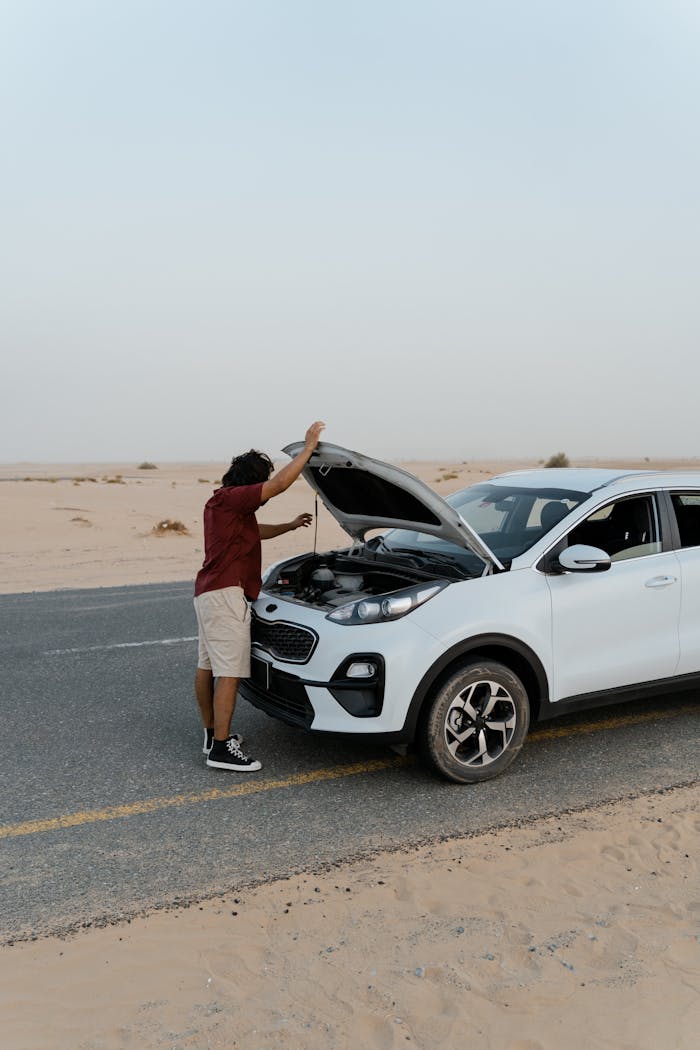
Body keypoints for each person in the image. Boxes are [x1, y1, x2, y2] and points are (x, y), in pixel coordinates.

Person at [193, 421, 326, 772]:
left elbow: (256, 532)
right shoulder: (236, 498)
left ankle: (211, 735)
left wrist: (291, 525)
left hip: (208, 593)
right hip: (225, 595)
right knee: (230, 672)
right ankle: (221, 749)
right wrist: (309, 448)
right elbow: (279, 484)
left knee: (207, 667)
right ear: (251, 480)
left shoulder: (223, 504)